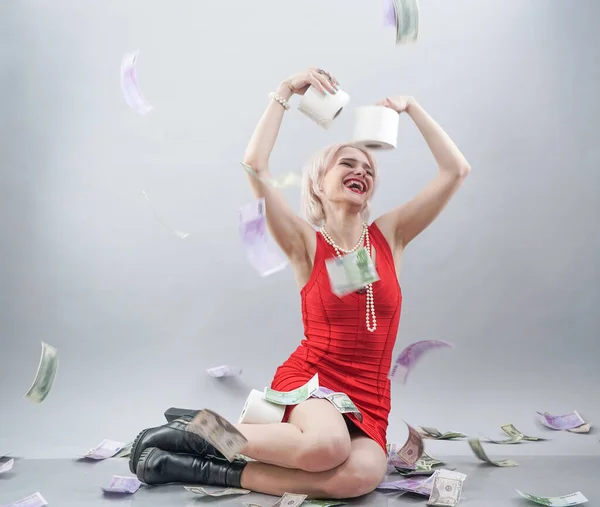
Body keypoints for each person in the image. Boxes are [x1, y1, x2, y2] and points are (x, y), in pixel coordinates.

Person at [128, 67, 471, 499]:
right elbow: (254, 165)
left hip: (369, 394)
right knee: (326, 448)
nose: (361, 171)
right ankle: (201, 430)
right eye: (347, 163)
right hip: (315, 381)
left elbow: (455, 170)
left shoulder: (390, 236)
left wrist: (413, 108)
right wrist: (285, 92)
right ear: (318, 184)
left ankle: (190, 461)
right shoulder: (305, 244)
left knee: (361, 476)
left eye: (368, 168)